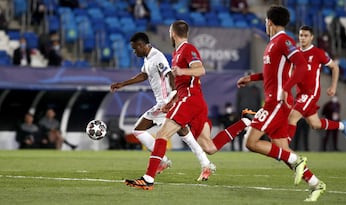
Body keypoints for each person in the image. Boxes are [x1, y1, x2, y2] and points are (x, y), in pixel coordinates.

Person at [124, 20, 253, 190]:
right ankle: (245, 122)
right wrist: (170, 102)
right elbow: (181, 84)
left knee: (162, 134)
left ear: (172, 33)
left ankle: (148, 178)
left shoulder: (187, 49)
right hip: (193, 101)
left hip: (190, 99)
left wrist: (183, 71)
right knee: (210, 147)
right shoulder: (177, 52)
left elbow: (200, 70)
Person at [236, 6, 325, 202]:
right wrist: (251, 78)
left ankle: (298, 160)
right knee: (284, 152)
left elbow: (301, 65)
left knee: (250, 142)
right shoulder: (272, 43)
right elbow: (271, 74)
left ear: (269, 21)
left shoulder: (284, 40)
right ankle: (315, 183)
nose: (265, 25)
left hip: (277, 102)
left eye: (266, 22)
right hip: (274, 100)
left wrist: (286, 88)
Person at [111, 32, 215, 181]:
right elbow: (143, 75)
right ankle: (205, 164)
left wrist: (173, 98)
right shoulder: (148, 59)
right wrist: (122, 84)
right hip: (165, 102)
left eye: (135, 49)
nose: (134, 52)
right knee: (184, 133)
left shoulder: (158, 57)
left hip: (166, 102)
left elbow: (171, 75)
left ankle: (164, 162)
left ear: (141, 45)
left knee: (140, 130)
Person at [287, 25, 346, 154]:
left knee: (292, 118)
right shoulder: (295, 53)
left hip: (311, 93)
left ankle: (284, 149)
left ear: (311, 37)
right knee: (315, 124)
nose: (303, 38)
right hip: (300, 94)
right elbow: (290, 72)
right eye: (301, 35)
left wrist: (333, 86)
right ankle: (342, 125)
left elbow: (335, 67)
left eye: (305, 36)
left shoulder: (318, 53)